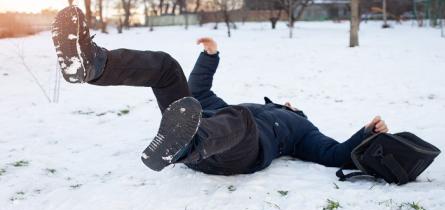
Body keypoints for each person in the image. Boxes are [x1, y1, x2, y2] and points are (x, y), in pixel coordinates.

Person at [52, 6, 389, 176]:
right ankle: (92, 64)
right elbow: (200, 92)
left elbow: (335, 156)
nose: (288, 104)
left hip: (235, 152)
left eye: (291, 106)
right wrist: (209, 57)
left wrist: (365, 133)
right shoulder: (247, 108)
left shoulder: (303, 132)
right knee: (168, 68)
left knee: (238, 119)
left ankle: (187, 141)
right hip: (206, 138)